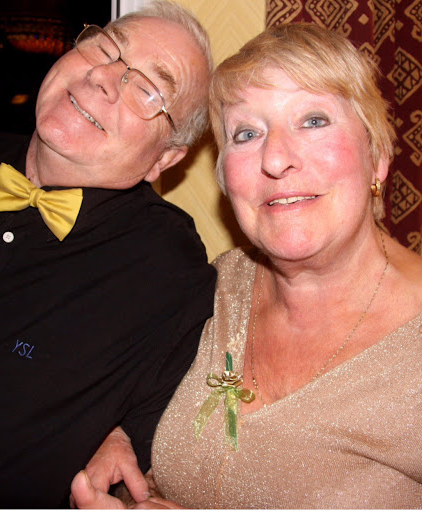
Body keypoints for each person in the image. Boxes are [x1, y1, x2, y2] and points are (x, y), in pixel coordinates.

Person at [70, 23, 422, 509]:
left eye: (313, 121)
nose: (275, 159)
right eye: (247, 133)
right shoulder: (214, 288)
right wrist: (116, 439)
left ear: (377, 156)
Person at [0, 1, 217, 507]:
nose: (104, 77)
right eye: (106, 48)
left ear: (164, 159)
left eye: (148, 89)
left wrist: (120, 433)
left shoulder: (168, 274)